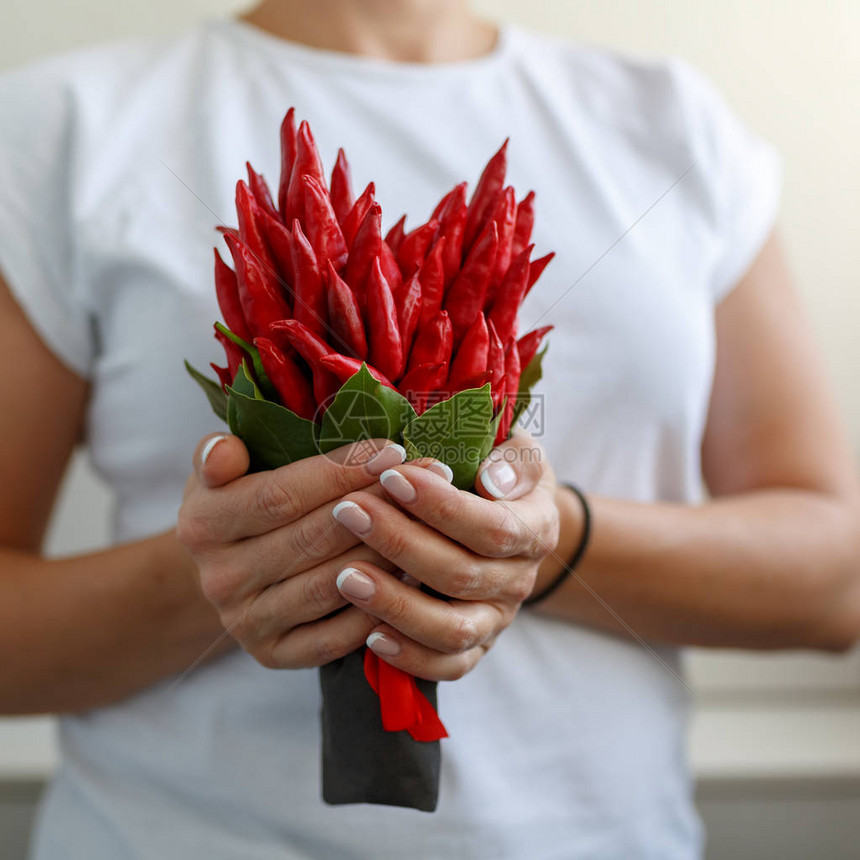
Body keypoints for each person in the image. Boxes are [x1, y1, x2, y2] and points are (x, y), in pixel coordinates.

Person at [1, 0, 858, 857]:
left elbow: (835, 582)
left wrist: (540, 542)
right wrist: (236, 568)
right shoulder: (63, 122)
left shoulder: (672, 119)